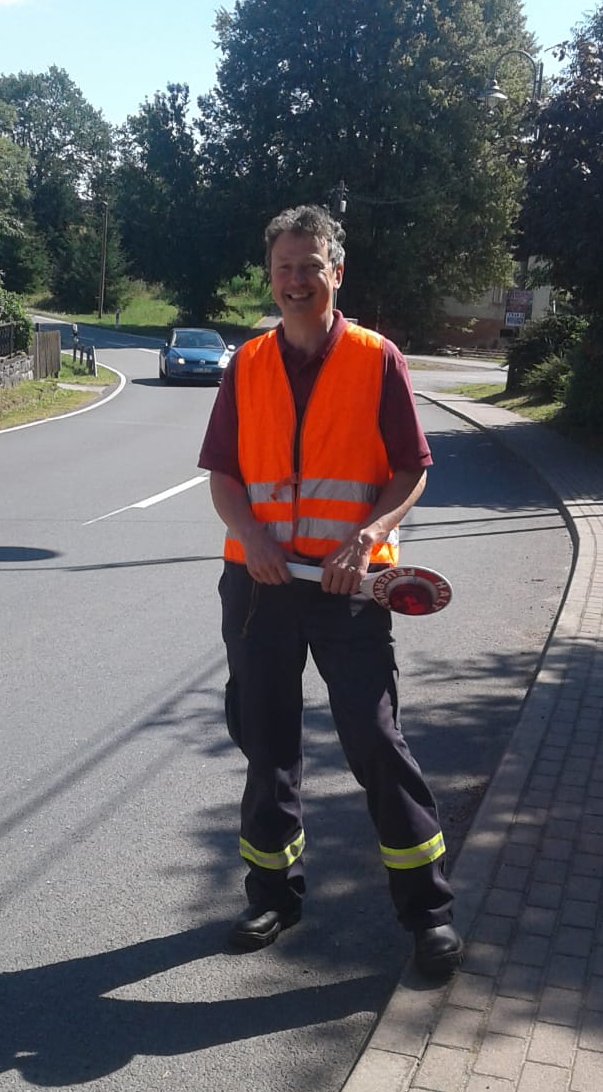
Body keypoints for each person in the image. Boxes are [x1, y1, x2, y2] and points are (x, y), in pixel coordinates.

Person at [198, 204, 463, 976]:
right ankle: (271, 895)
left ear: (335, 273)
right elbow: (223, 475)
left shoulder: (378, 359)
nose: (295, 280)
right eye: (283, 267)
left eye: (309, 266)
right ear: (270, 275)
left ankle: (428, 913)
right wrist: (251, 537)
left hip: (350, 586)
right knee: (266, 741)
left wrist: (366, 539)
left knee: (374, 739)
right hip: (259, 586)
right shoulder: (248, 362)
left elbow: (410, 469)